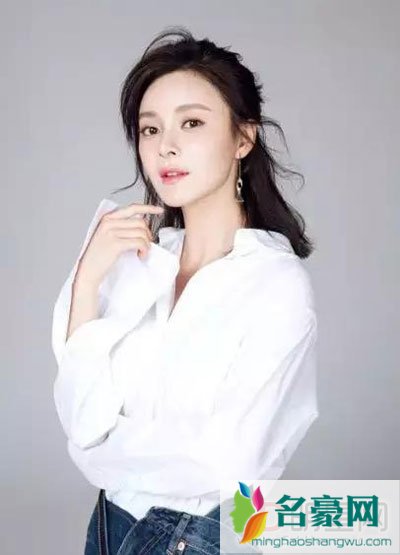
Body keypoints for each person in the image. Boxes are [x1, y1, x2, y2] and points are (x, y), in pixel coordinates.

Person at [51, 26, 319, 555]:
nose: (165, 146)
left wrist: (101, 452)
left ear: (243, 138)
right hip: (106, 525)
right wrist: (87, 280)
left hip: (198, 537)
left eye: (191, 122)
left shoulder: (274, 284)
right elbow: (82, 419)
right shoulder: (134, 263)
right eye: (149, 129)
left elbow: (226, 463)